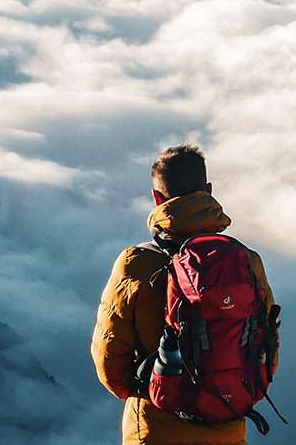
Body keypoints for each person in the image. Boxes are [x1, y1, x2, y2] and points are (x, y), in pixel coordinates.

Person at [92, 144, 278, 445]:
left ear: (156, 199)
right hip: (228, 430)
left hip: (155, 431)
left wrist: (157, 390)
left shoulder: (135, 264)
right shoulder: (246, 261)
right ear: (208, 190)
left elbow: (110, 367)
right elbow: (266, 355)